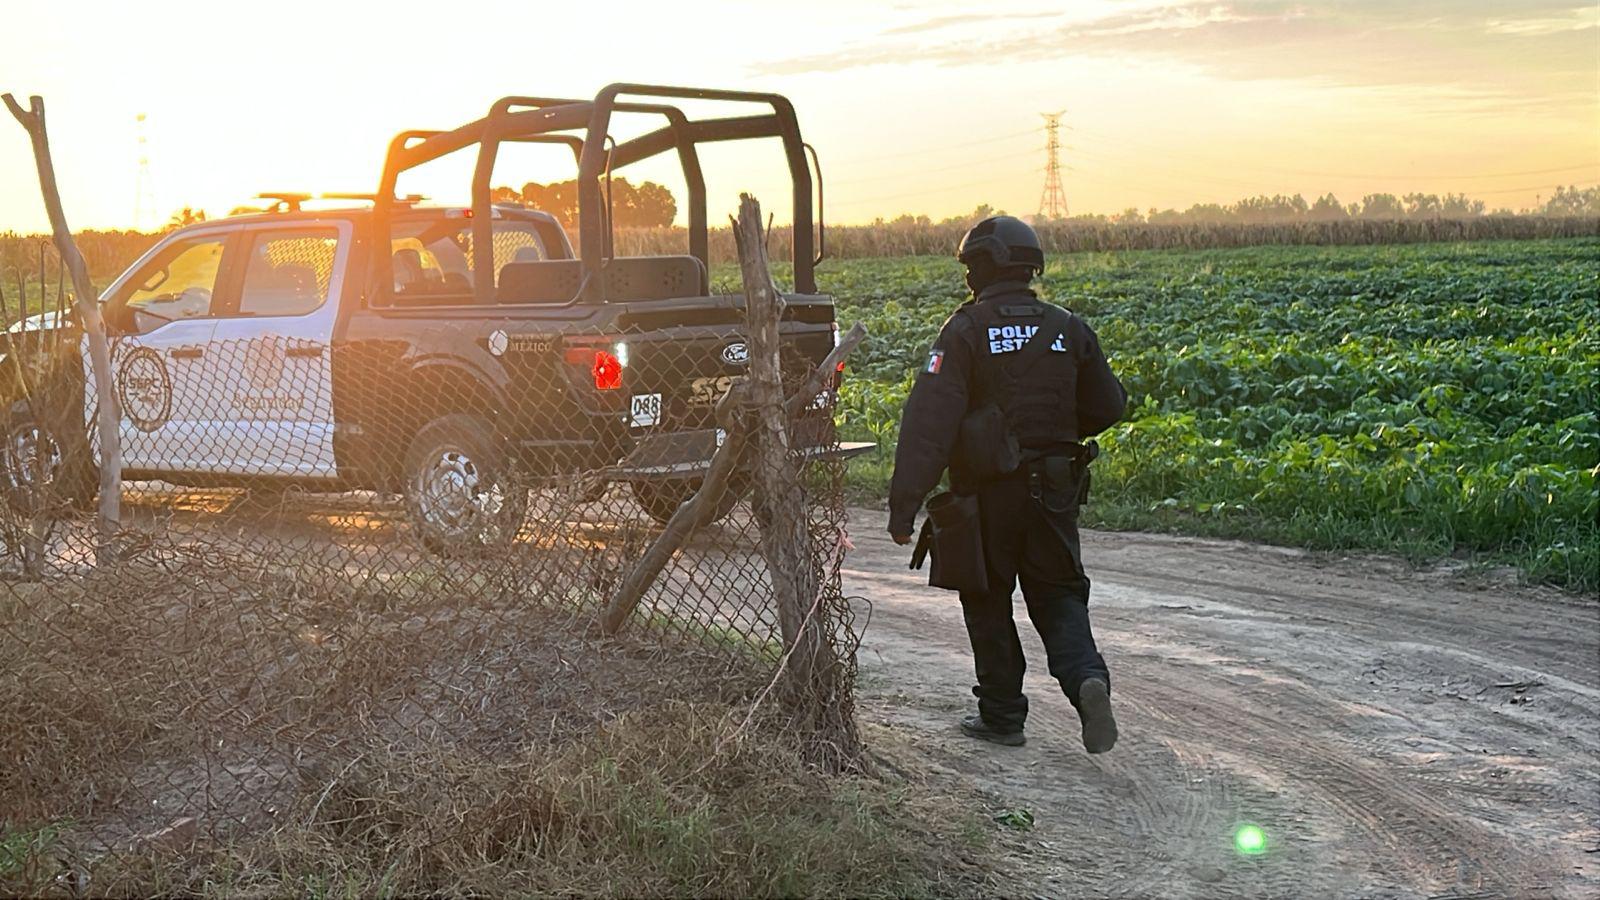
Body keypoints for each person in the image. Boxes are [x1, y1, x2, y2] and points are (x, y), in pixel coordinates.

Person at [888, 215, 1128, 752]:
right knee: (1060, 595)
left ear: (981, 267)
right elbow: (1109, 405)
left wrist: (904, 508)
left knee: (987, 597)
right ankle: (1086, 678)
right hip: (1056, 491)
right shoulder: (1068, 327)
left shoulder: (966, 330)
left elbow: (929, 423)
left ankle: (1002, 716)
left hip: (986, 497)